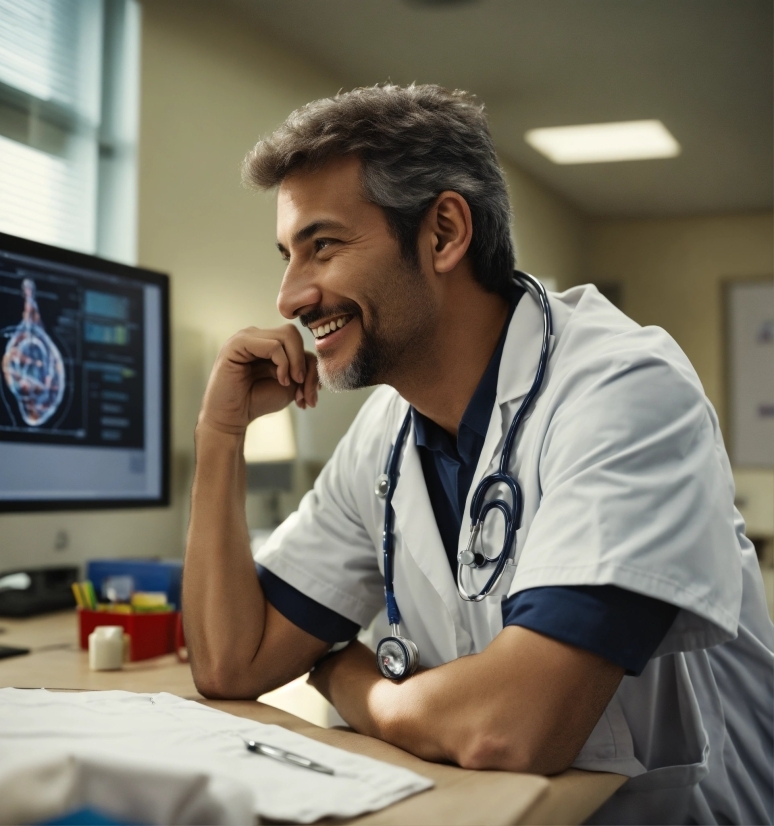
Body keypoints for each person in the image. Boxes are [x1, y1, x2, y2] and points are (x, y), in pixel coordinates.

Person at [183, 84, 773, 824]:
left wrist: (348, 676)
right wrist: (219, 434)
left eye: (322, 245)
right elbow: (231, 662)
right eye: (288, 254)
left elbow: (511, 727)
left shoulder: (623, 389)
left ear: (443, 234)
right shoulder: (386, 432)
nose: (291, 296)